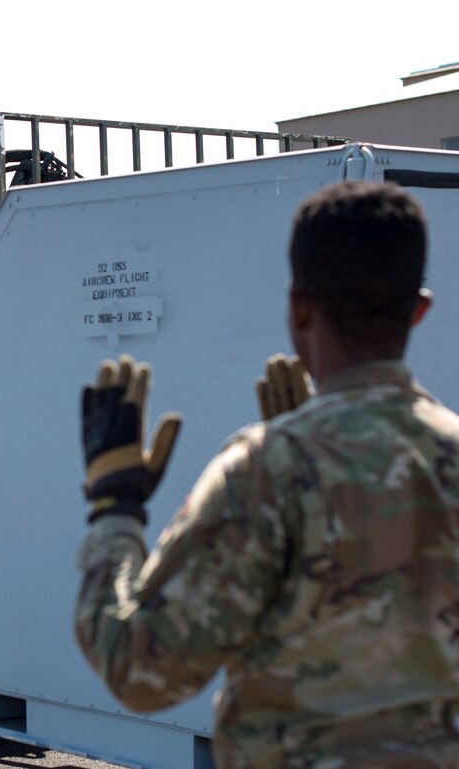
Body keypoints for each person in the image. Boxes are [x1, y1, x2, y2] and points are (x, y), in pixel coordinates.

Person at [75, 180, 459, 768]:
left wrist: (114, 509)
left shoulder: (266, 471)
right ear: (420, 309)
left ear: (298, 308)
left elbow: (141, 669)